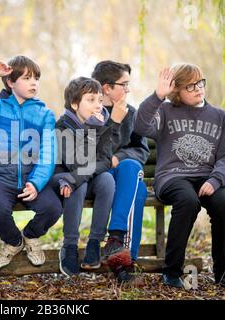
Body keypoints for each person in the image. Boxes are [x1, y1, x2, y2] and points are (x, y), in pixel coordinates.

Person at [134, 63, 225, 288]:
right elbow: (141, 126)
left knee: (224, 206)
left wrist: (215, 180)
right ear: (177, 91)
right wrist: (157, 96)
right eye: (190, 86)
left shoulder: (221, 117)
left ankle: (222, 270)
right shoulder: (164, 111)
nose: (198, 88)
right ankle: (171, 272)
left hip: (207, 177)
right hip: (173, 176)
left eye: (200, 82)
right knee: (188, 201)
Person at [0, 56, 62, 269]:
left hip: (32, 178)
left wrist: (36, 183)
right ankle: (14, 241)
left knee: (52, 208)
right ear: (10, 82)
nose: (34, 83)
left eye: (36, 78)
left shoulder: (44, 114)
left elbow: (48, 153)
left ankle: (31, 236)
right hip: (1, 179)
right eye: (27, 78)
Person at [53, 77, 126, 277]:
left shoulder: (99, 123)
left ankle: (95, 242)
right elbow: (76, 163)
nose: (98, 105)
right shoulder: (62, 127)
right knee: (79, 185)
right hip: (65, 177)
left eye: (100, 100)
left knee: (107, 180)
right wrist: (101, 127)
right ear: (75, 104)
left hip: (81, 177)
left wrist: (104, 127)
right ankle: (69, 245)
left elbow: (105, 160)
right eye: (91, 100)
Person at [91, 61, 149, 281]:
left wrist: (120, 157)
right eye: (124, 84)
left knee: (132, 169)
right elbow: (89, 153)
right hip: (99, 177)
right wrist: (109, 158)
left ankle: (116, 242)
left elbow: (141, 150)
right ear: (107, 88)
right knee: (137, 189)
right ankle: (125, 263)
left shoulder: (131, 113)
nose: (128, 89)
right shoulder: (90, 111)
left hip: (125, 175)